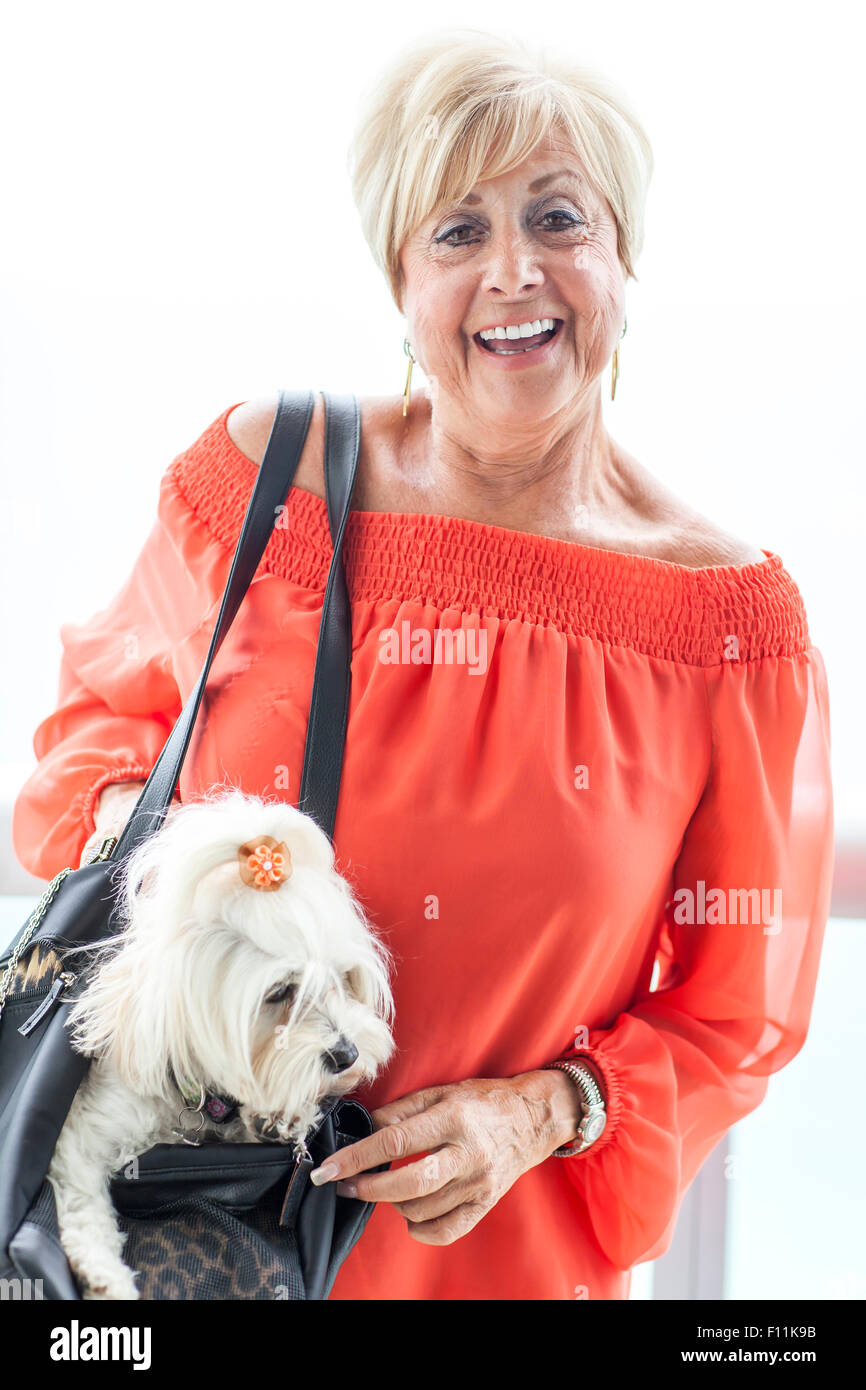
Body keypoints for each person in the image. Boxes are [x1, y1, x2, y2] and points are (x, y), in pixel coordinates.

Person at [12, 28, 834, 1300]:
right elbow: (86, 749)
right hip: (184, 1238)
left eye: (556, 218)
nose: (513, 271)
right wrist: (182, 865)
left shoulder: (721, 625)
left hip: (495, 1266)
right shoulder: (263, 486)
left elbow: (733, 1013)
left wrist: (542, 1111)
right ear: (400, 285)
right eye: (456, 233)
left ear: (622, 262)